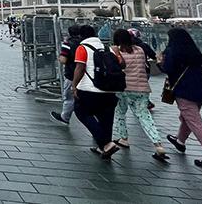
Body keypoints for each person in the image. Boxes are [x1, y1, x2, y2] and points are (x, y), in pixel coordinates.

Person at [158, 28, 202, 173]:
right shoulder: (194, 52)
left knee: (195, 123)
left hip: (184, 91)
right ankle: (180, 141)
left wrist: (159, 62)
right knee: (187, 118)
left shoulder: (172, 51)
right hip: (199, 90)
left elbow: (168, 69)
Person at [110, 29, 167, 159]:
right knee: (144, 116)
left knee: (120, 113)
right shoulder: (140, 50)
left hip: (123, 88)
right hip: (142, 88)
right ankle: (158, 144)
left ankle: (123, 138)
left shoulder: (116, 51)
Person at [72, 25, 121, 159]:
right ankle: (104, 148)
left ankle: (106, 144)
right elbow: (121, 65)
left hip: (89, 89)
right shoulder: (108, 48)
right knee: (106, 119)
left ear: (81, 36)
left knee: (81, 112)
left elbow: (80, 68)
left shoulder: (82, 48)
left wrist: (74, 85)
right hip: (109, 90)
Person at [51, 25, 82, 125]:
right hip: (85, 74)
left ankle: (65, 117)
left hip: (71, 74)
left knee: (69, 97)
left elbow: (63, 59)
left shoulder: (68, 43)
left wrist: (59, 58)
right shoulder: (83, 43)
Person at [128, 28, 157, 110]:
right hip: (144, 69)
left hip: (130, 70)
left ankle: (142, 103)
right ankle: (145, 102)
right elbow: (153, 55)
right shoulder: (143, 45)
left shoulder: (124, 46)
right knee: (142, 87)